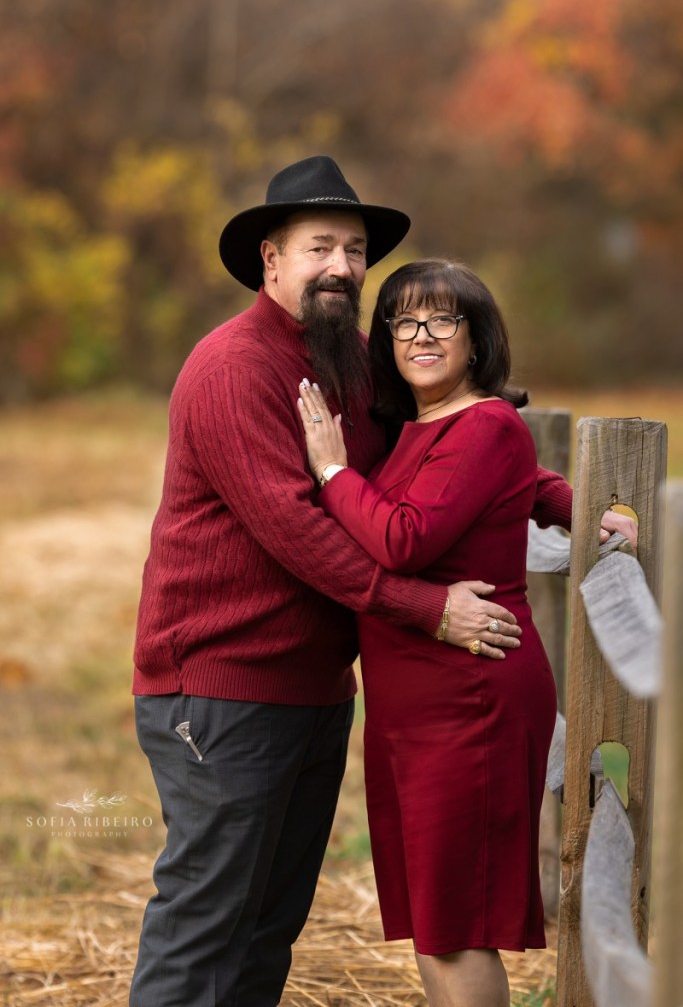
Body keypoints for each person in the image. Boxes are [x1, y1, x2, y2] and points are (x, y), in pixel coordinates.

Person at [129, 157, 634, 1007]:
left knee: (266, 925)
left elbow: (437, 456)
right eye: (319, 246)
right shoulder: (235, 369)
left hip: (318, 688)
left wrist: (559, 500)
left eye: (355, 250)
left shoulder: (352, 366)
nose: (341, 266)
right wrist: (427, 608)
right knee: (207, 919)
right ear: (271, 261)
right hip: (223, 687)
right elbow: (297, 528)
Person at [294, 258, 591, 1006]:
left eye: (442, 319)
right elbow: (498, 482)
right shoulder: (411, 427)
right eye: (403, 320)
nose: (421, 335)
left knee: (457, 926)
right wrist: (567, 502)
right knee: (435, 920)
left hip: (471, 698)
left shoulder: (483, 420)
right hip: (412, 708)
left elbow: (403, 538)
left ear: (475, 336)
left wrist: (332, 474)